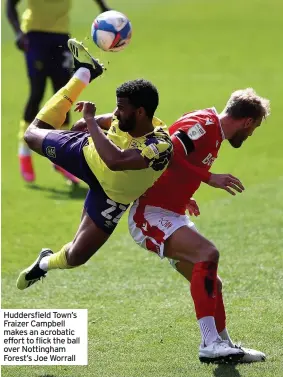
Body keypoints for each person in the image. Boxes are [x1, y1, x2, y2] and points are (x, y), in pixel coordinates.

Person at [16, 39, 173, 291]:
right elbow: (105, 120)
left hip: (111, 195)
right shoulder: (124, 118)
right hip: (84, 156)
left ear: (141, 112)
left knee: (77, 256)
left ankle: (43, 263)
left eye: (122, 108)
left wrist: (88, 120)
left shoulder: (160, 143)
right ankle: (84, 73)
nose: (117, 112)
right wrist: (86, 125)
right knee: (33, 134)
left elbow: (117, 161)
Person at [128, 90, 270, 363]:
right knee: (208, 254)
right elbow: (166, 151)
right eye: (254, 128)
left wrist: (182, 194)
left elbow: (174, 165)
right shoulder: (204, 127)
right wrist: (208, 178)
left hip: (169, 211)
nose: (251, 135)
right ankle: (210, 344)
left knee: (213, 282)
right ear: (247, 122)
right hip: (148, 214)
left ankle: (226, 346)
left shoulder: (212, 132)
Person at [6, 0, 110, 184]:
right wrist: (18, 33)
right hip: (34, 36)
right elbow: (10, 5)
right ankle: (24, 152)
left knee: (65, 96)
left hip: (60, 37)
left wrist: (103, 9)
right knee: (37, 92)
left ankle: (60, 157)